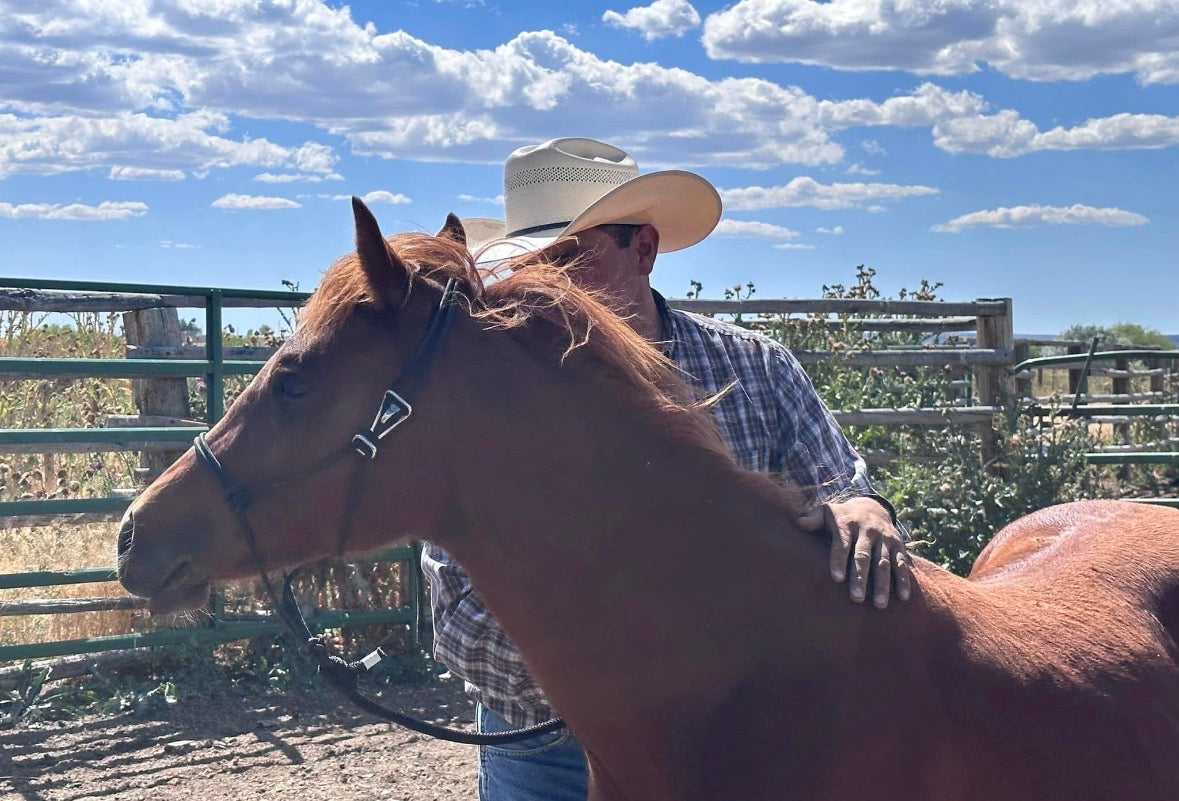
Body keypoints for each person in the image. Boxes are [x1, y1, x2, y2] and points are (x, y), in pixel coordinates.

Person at [421, 137, 910, 801]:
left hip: (736, 740)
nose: (547, 287)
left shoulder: (753, 369)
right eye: (530, 265)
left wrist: (862, 506)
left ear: (642, 249)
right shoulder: (485, 406)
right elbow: (462, 620)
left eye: (568, 257)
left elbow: (839, 485)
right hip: (550, 742)